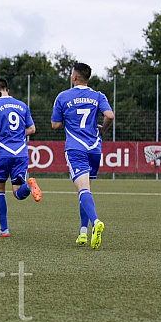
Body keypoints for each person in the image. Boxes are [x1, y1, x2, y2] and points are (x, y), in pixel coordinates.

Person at [51, 62, 114, 248]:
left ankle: (95, 222)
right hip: (95, 148)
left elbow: (55, 125)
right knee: (86, 190)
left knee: (82, 190)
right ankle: (83, 232)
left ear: (74, 77)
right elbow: (109, 115)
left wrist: (66, 117)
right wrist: (102, 129)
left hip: (76, 148)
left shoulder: (63, 97)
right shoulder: (98, 96)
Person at [0, 77, 41, 237]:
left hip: (3, 152)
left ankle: (4, 229)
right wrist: (17, 134)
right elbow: (32, 129)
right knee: (17, 192)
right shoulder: (22, 105)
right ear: (7, 90)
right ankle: (29, 187)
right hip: (20, 153)